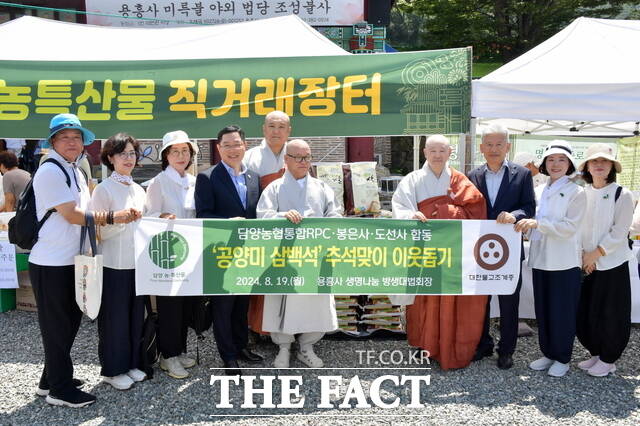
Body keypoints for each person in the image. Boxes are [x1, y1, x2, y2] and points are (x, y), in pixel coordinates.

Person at [30, 114, 138, 407]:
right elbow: (73, 215)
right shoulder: (50, 171)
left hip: (71, 259)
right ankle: (59, 390)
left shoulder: (75, 170)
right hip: (50, 261)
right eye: (64, 137)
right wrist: (113, 216)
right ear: (53, 141)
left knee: (69, 321)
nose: (71, 142)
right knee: (56, 326)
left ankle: (49, 379)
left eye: (76, 137)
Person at [392, 134, 487, 370]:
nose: (437, 155)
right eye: (432, 151)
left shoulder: (459, 180)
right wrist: (411, 215)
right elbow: (400, 207)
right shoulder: (412, 179)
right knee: (422, 298)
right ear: (425, 153)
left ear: (449, 153)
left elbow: (476, 209)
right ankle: (422, 344)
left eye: (442, 151)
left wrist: (445, 211)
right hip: (422, 247)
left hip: (451, 249)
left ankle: (447, 342)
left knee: (448, 299)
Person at [257, 139, 341, 368]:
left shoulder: (322, 187)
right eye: (299, 158)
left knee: (315, 302)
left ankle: (307, 346)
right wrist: (282, 216)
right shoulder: (274, 187)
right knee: (280, 300)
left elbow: (334, 216)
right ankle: (283, 347)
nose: (304, 162)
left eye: (307, 157)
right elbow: (262, 216)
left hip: (314, 256)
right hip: (283, 256)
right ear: (287, 159)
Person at [195, 125, 263, 375]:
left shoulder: (254, 177)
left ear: (244, 146)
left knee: (242, 304)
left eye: (237, 144)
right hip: (220, 251)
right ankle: (228, 355)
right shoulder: (207, 177)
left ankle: (241, 346)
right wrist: (227, 223)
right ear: (218, 148)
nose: (233, 149)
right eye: (227, 145)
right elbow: (203, 214)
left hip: (249, 252)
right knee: (223, 306)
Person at [515, 140, 586, 377]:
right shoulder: (539, 190)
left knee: (562, 311)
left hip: (564, 261)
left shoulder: (577, 191)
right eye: (551, 160)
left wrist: (537, 224)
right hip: (541, 259)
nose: (556, 164)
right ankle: (548, 353)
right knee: (543, 309)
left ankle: (563, 358)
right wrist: (524, 226)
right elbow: (533, 222)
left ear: (570, 164)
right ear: (544, 164)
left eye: (561, 160)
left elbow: (569, 227)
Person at [467, 124, 536, 370]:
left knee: (509, 302)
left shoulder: (522, 175)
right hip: (479, 252)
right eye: (489, 144)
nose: (494, 149)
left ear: (508, 147)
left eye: (499, 144)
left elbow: (529, 207)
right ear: (481, 147)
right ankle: (482, 344)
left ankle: (506, 350)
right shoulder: (472, 176)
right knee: (480, 302)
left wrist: (514, 215)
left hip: (508, 251)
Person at [89, 133, 146, 390]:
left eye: (132, 153)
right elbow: (96, 231)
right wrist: (120, 220)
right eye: (122, 154)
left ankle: (132, 363)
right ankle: (112, 370)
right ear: (110, 158)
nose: (129, 158)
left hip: (137, 265)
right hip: (112, 264)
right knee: (114, 319)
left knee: (135, 316)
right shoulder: (103, 189)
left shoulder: (138, 189)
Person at [575, 143, 634, 377]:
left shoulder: (623, 194)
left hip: (612, 263)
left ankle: (609, 358)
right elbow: (579, 226)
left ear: (612, 167)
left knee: (612, 312)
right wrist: (584, 256)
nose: (599, 166)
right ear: (587, 167)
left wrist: (595, 254)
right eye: (594, 162)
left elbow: (620, 232)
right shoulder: (582, 192)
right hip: (588, 264)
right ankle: (596, 353)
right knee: (589, 310)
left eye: (605, 162)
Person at [144, 130, 199, 379]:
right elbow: (149, 215)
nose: (181, 155)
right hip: (168, 254)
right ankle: (168, 356)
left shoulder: (193, 180)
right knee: (170, 307)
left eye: (185, 151)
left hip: (192, 252)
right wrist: (163, 217)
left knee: (186, 306)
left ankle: (179, 350)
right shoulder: (158, 182)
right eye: (175, 151)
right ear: (166, 155)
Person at [244, 110, 292, 334]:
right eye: (272, 126)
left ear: (289, 131)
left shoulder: (296, 153)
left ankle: (289, 328)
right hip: (261, 225)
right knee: (259, 279)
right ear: (263, 129)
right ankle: (257, 328)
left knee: (287, 278)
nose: (276, 131)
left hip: (292, 228)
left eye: (281, 127)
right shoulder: (250, 156)